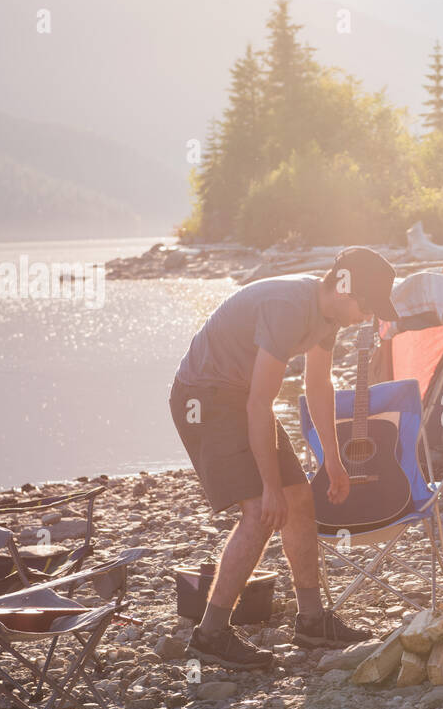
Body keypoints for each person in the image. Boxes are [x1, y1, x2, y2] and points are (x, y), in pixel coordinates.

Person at [169, 246, 397, 669]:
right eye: (368, 306)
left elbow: (318, 385)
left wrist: (332, 458)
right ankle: (210, 635)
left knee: (299, 501)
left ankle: (311, 622)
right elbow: (259, 403)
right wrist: (269, 485)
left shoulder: (327, 315)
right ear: (346, 290)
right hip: (205, 398)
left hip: (240, 398)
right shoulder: (289, 308)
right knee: (260, 510)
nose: (368, 317)